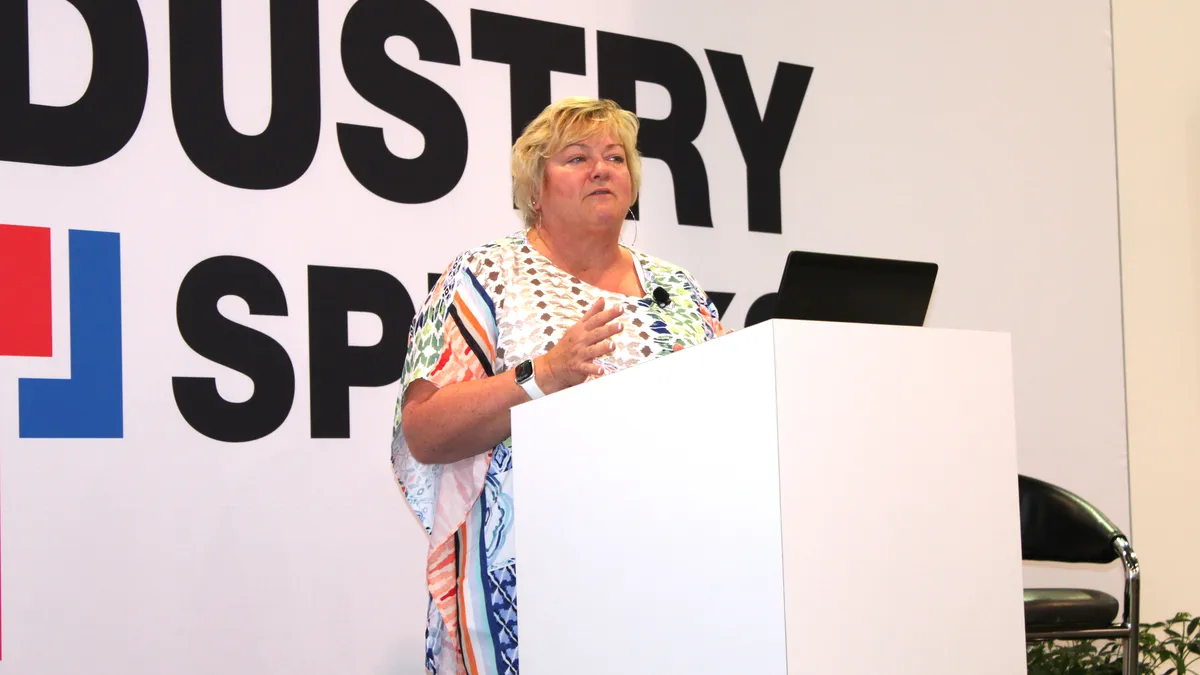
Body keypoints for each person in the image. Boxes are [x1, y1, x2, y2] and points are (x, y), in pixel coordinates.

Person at [390, 96, 729, 675]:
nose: (602, 168)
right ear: (535, 190)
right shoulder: (485, 275)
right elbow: (423, 431)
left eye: (615, 157)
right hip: (528, 592)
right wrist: (542, 375)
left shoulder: (677, 287)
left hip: (671, 580)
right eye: (577, 157)